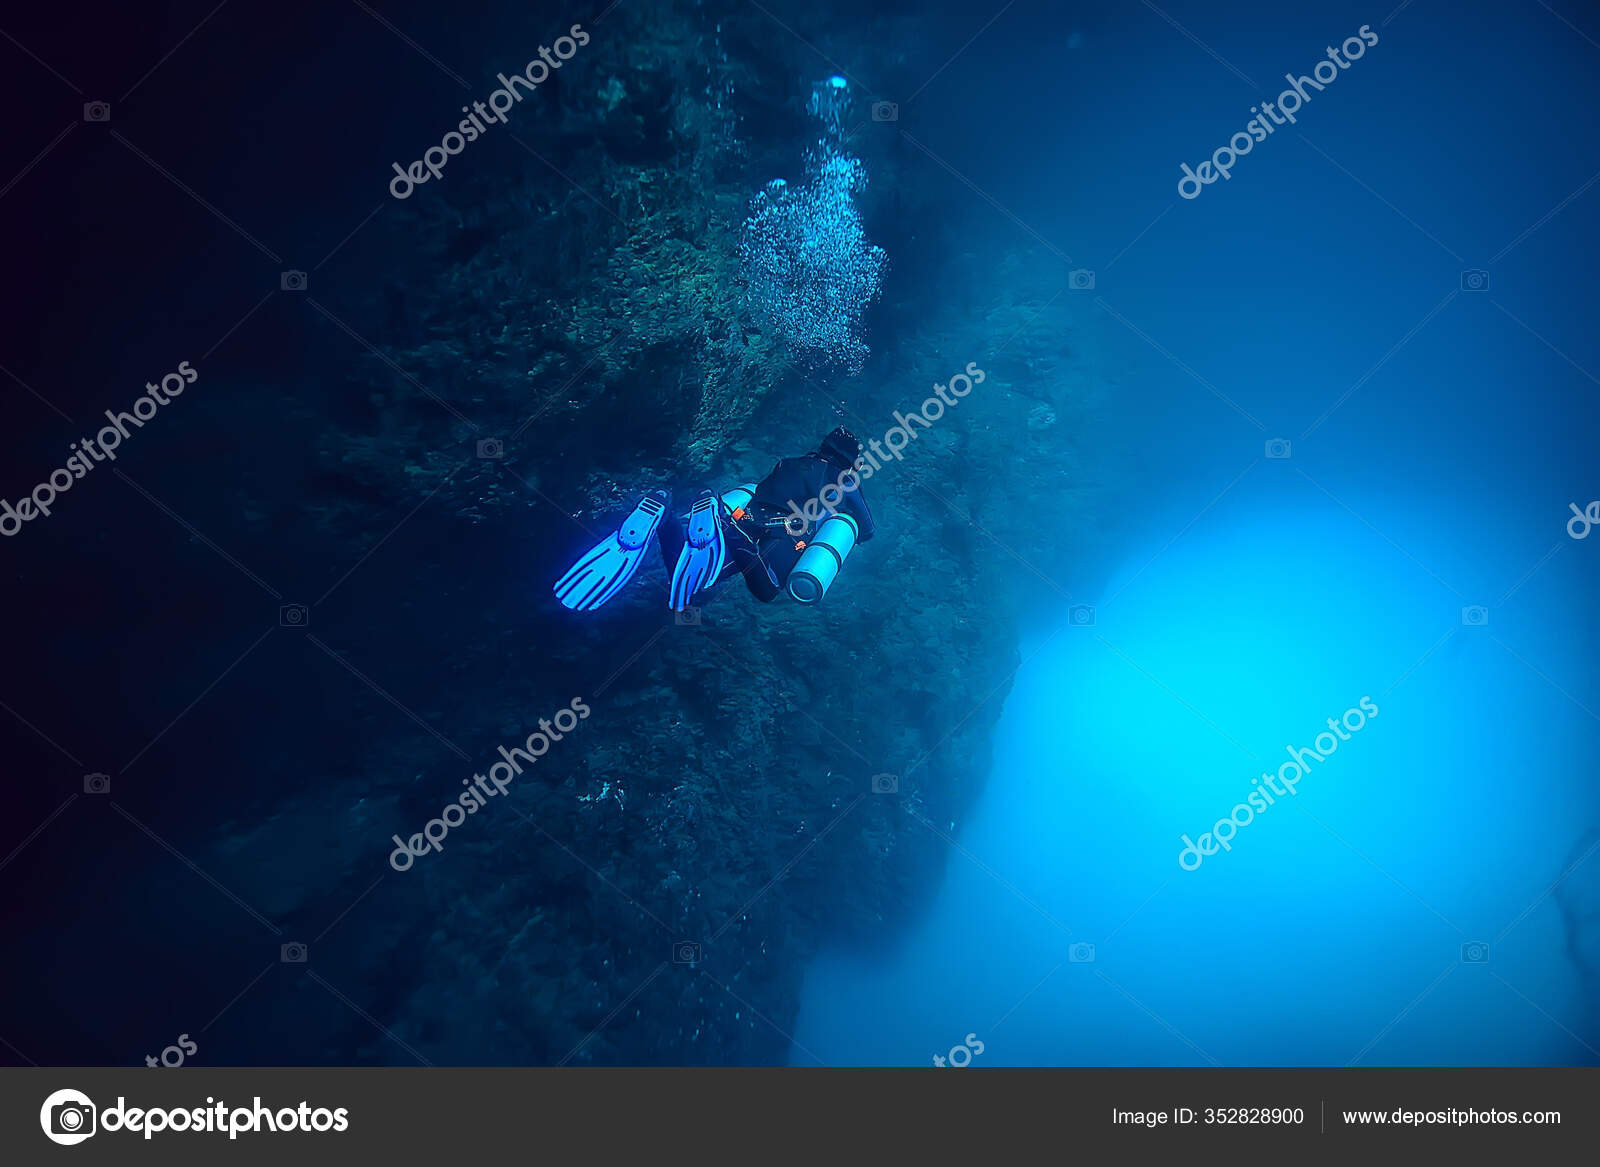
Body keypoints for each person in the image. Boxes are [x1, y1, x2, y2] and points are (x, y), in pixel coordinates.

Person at [554, 426, 876, 611]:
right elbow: (867, 530)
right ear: (847, 459)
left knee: (695, 584)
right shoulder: (843, 478)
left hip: (746, 514)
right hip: (779, 535)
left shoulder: (789, 462)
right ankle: (728, 528)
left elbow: (767, 490)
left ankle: (666, 517)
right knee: (767, 590)